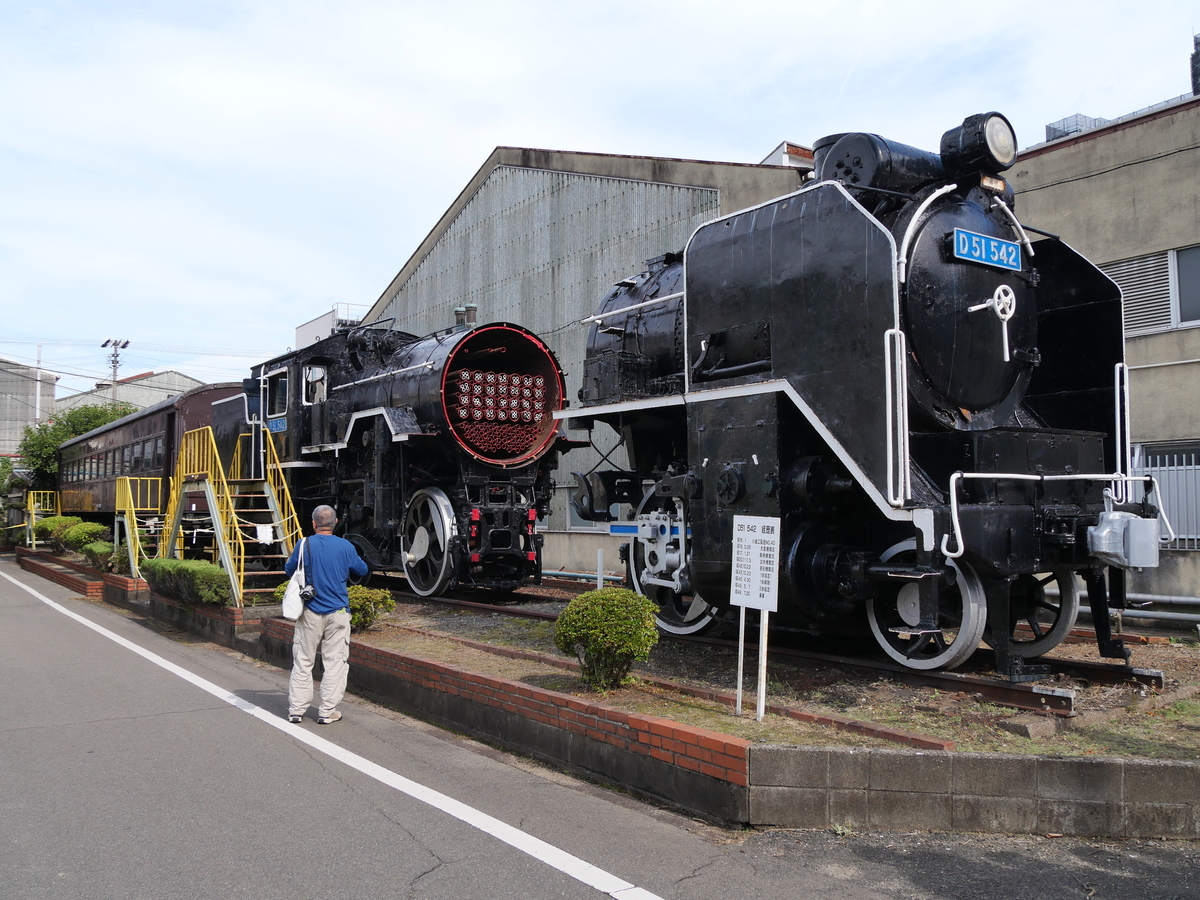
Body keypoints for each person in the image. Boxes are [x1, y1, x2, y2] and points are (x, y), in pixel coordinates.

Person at [284, 505, 368, 724]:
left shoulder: (304, 544)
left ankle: (296, 710)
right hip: (338, 612)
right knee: (335, 663)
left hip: (310, 612)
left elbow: (289, 569)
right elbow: (362, 570)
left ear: (313, 523)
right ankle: (327, 711)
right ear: (335, 522)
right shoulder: (346, 546)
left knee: (303, 661)